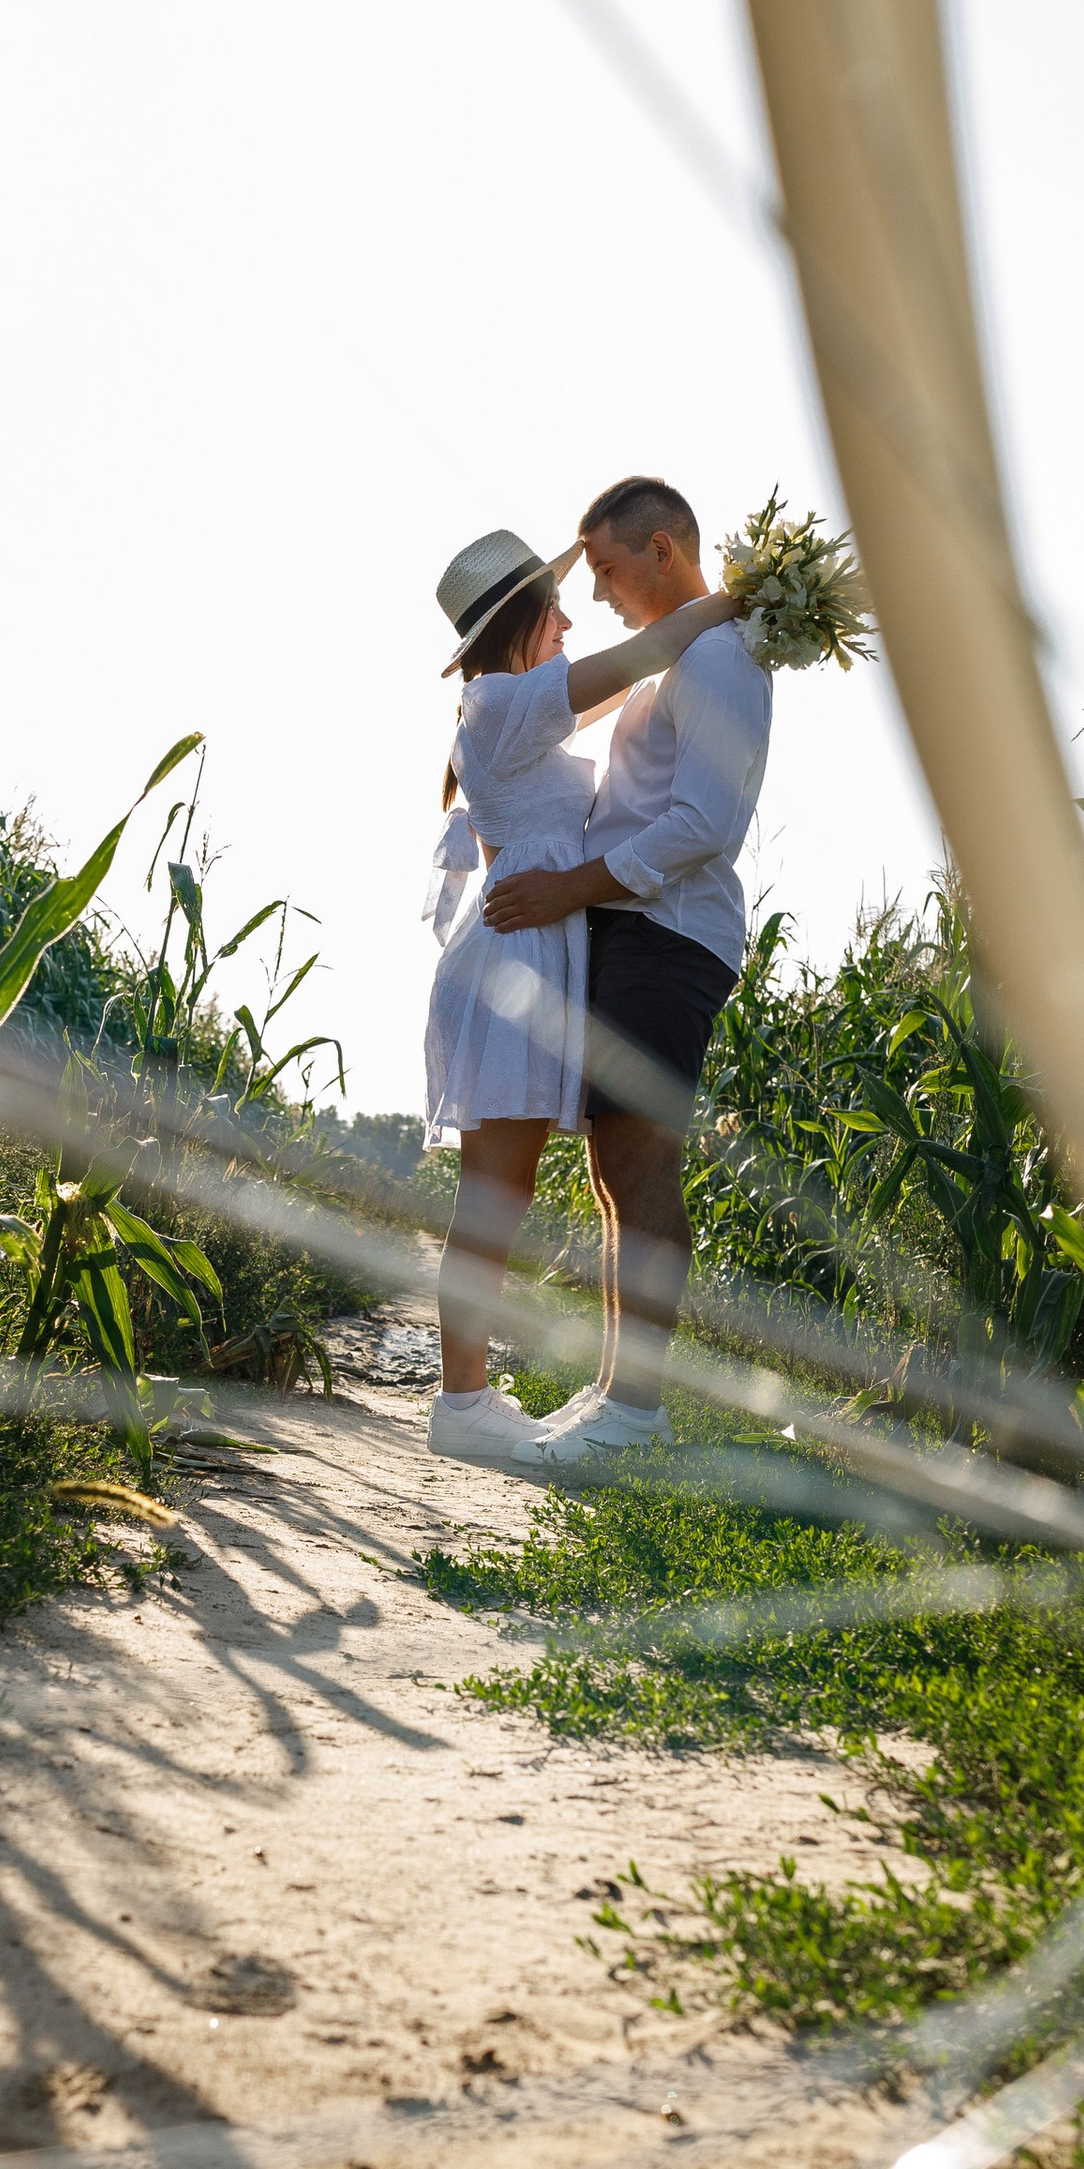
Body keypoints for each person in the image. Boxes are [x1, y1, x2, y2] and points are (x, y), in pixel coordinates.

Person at [421, 525, 744, 1474]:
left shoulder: (511, 712)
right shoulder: (502, 703)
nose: (570, 616)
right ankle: (462, 1399)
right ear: (520, 618)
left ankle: (470, 1395)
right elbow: (643, 656)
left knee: (503, 1190)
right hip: (518, 964)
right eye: (555, 603)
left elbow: (634, 694)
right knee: (493, 1194)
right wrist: (751, 597)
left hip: (530, 959)